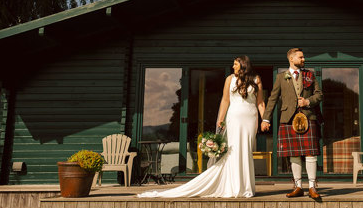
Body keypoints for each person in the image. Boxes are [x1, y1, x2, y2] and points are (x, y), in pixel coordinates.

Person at [138, 55, 265, 198]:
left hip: (250, 118)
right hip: (234, 118)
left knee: (246, 150)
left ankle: (246, 186)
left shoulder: (256, 79)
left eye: (235, 64)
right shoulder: (230, 79)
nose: (233, 66)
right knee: (234, 150)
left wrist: (265, 119)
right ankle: (234, 186)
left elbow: (260, 102)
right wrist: (220, 119)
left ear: (243, 65)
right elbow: (225, 101)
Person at [261, 48, 323, 199]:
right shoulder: (281, 77)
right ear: (291, 59)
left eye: (303, 57)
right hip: (288, 118)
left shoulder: (310, 74)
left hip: (308, 117)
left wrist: (308, 101)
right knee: (293, 154)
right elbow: (273, 99)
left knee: (310, 152)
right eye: (301, 57)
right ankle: (298, 186)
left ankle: (312, 187)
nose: (304, 60)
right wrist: (266, 119)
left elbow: (319, 94)